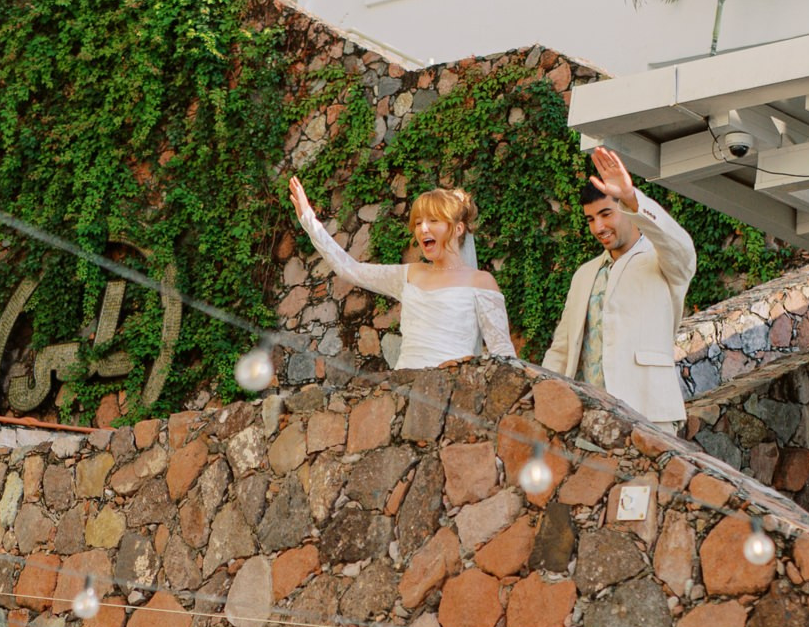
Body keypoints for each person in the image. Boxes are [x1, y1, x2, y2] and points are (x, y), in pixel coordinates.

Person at [540, 144, 696, 429]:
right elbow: (562, 347)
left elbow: (682, 248)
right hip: (586, 416)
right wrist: (544, 397)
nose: (598, 227)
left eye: (606, 214)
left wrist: (632, 198)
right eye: (590, 219)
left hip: (647, 411)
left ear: (625, 209)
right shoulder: (583, 274)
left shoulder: (663, 261)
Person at [288, 176, 517, 369]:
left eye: (433, 220)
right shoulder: (410, 275)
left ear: (458, 229)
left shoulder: (481, 282)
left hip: (453, 391)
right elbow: (350, 269)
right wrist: (309, 220)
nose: (422, 229)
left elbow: (504, 354)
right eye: (418, 223)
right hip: (404, 387)